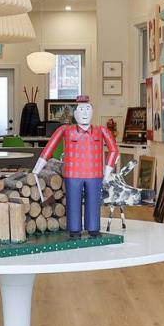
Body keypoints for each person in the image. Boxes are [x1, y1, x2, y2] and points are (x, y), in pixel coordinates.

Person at [33, 96, 117, 237]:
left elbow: (114, 150)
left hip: (94, 173)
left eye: (88, 109)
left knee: (93, 202)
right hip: (73, 173)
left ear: (92, 112)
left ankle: (93, 228)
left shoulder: (101, 130)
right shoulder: (66, 130)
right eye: (81, 110)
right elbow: (50, 147)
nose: (85, 113)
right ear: (75, 113)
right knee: (73, 201)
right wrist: (38, 167)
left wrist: (107, 171)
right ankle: (74, 229)